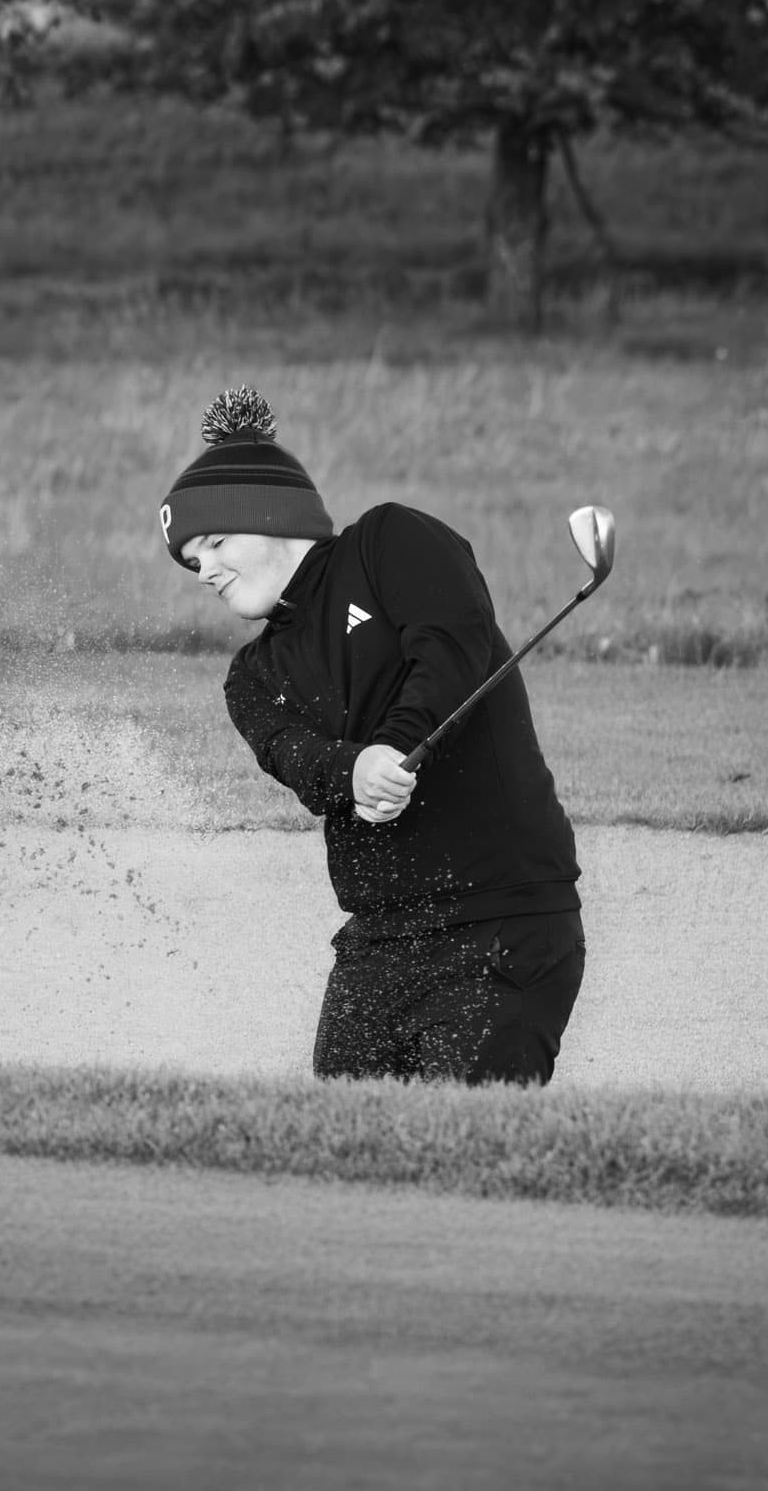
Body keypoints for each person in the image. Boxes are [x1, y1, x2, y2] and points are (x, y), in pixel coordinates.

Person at [160, 384, 584, 1086]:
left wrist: (396, 741)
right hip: (377, 949)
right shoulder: (252, 675)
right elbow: (292, 756)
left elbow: (453, 644)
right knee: (343, 1168)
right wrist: (354, 770)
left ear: (270, 517)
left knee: (462, 1162)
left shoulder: (388, 541)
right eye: (191, 561)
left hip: (502, 926)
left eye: (213, 542)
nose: (203, 569)